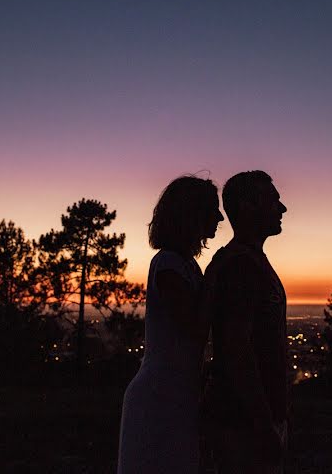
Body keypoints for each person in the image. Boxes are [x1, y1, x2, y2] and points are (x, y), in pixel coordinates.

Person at [117, 175, 224, 474]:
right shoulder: (168, 265)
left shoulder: (186, 265)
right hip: (160, 395)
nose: (219, 217)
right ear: (192, 213)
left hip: (177, 392)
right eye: (212, 209)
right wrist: (217, 276)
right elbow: (193, 327)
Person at [204, 170, 289, 473]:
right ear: (246, 207)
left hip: (250, 418)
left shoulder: (245, 260)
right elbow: (237, 349)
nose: (282, 209)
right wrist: (263, 424)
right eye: (273, 200)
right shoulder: (240, 266)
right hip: (244, 423)